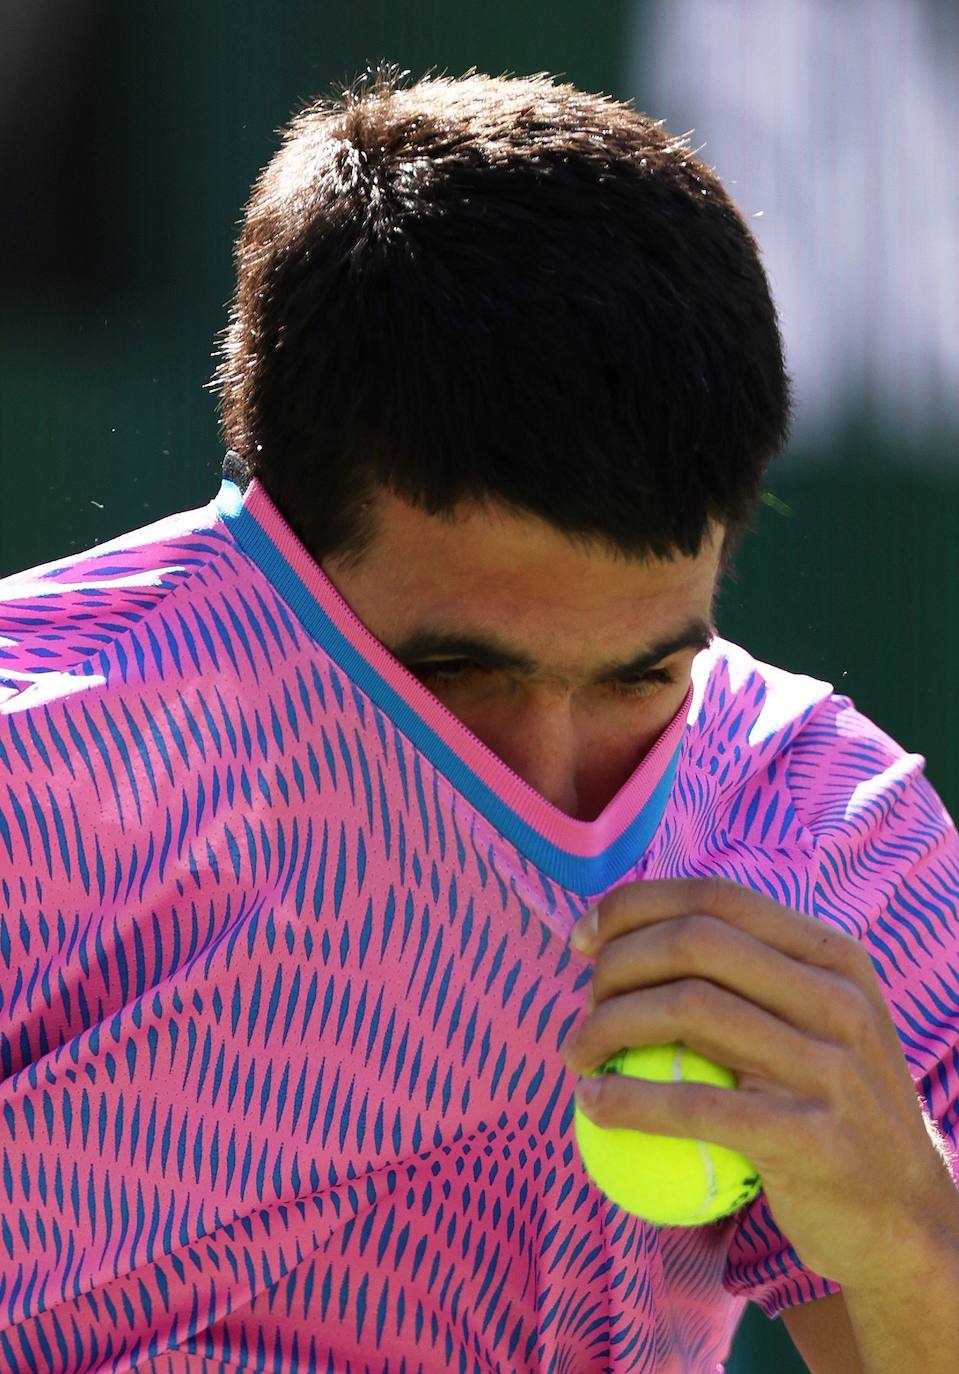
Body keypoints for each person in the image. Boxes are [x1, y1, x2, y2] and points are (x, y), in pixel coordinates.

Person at [1, 65, 957, 1374]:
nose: (557, 776)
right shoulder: (27, 768)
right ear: (288, 546)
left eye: (639, 675)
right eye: (466, 672)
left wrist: (913, 1242)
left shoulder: (826, 831)